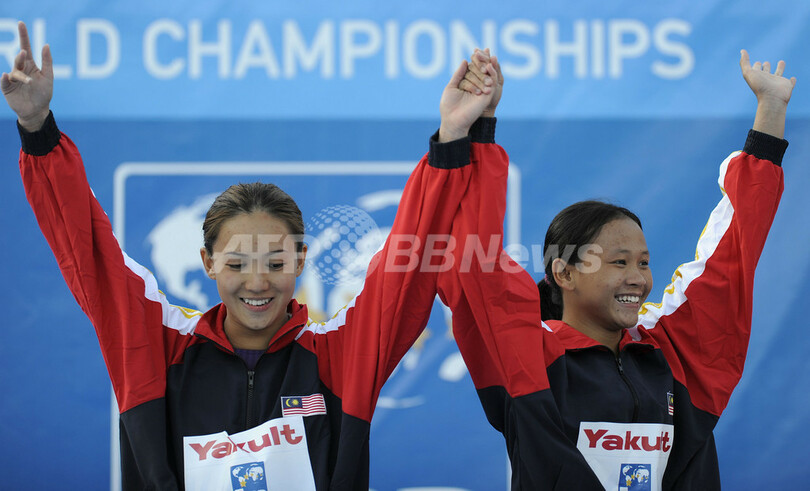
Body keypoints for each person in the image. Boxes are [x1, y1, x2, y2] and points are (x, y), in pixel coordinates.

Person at [1, 21, 499, 490]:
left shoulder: (339, 356)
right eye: (237, 264)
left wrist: (454, 138)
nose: (257, 282)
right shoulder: (159, 346)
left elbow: (406, 267)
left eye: (276, 263)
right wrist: (38, 129)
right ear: (208, 262)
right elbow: (87, 251)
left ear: (301, 261)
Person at [439, 49, 794, 489]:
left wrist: (770, 112)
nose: (637, 278)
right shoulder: (528, 358)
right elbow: (472, 264)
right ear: (563, 274)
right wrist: (469, 132)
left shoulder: (675, 356)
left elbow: (733, 255)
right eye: (618, 262)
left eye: (644, 263)